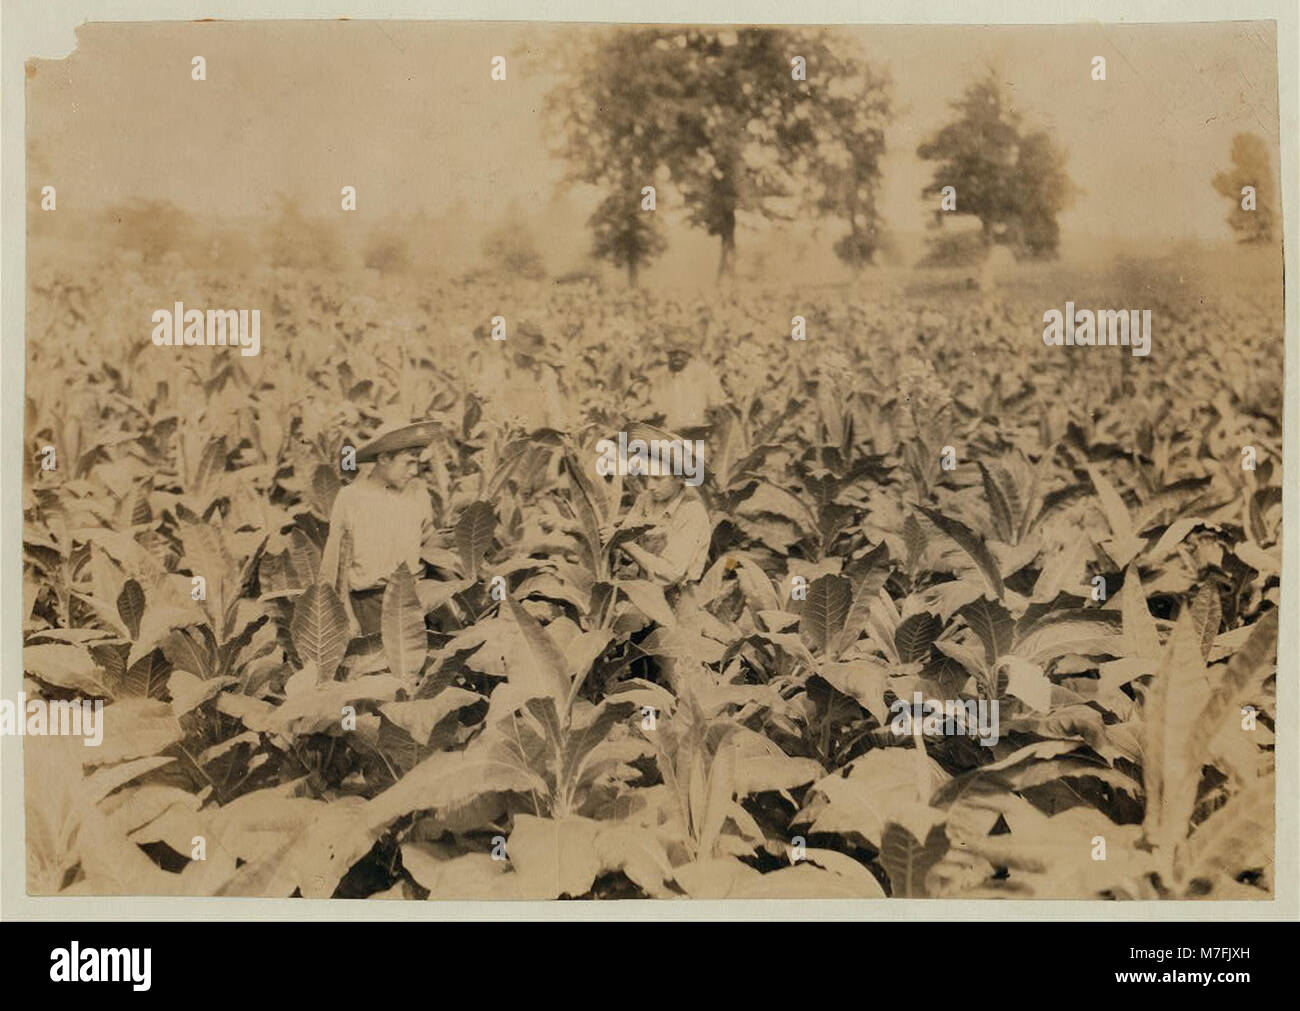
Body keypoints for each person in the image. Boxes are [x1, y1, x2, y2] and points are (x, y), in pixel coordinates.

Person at [319, 420, 439, 637]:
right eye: (408, 463)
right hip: (367, 606)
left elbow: (431, 546)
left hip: (411, 600)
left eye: (417, 464)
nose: (414, 471)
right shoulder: (351, 497)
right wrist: (346, 616)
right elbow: (335, 565)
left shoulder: (418, 493)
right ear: (384, 458)